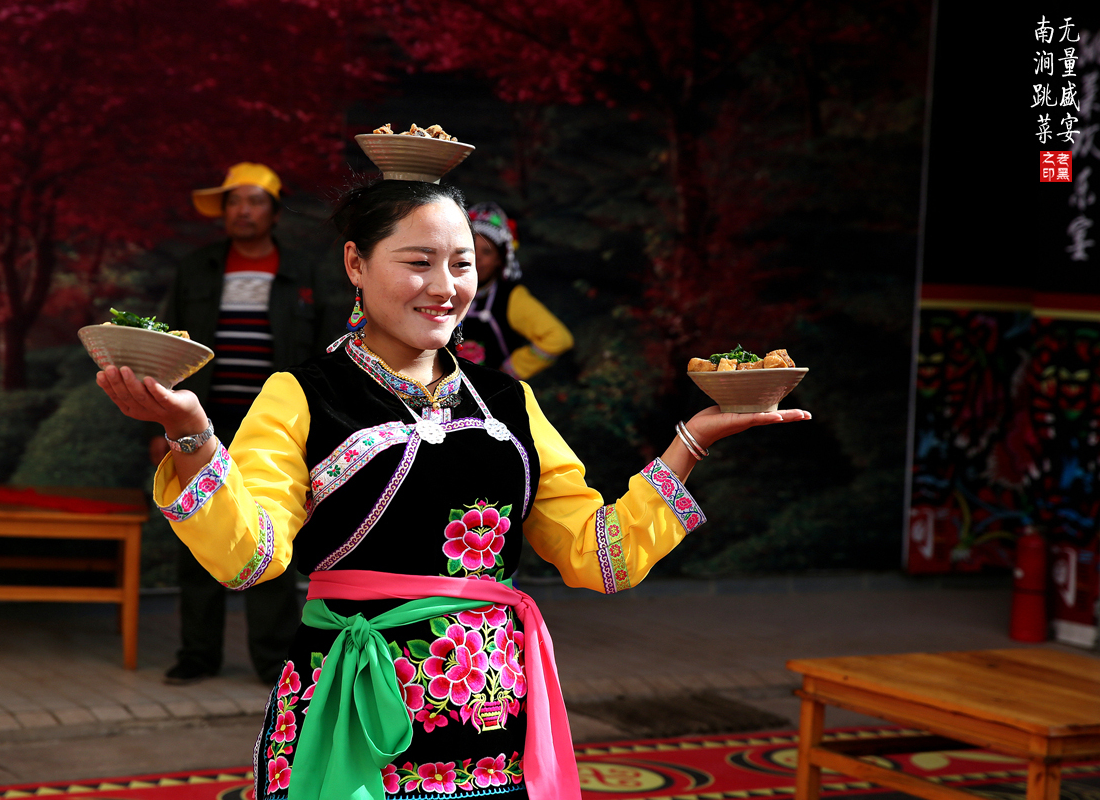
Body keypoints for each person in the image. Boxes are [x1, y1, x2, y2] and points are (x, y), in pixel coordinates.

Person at [98, 178, 809, 800]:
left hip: (494, 720)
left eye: (463, 264)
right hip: (355, 706)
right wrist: (193, 436)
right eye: (418, 262)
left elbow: (601, 558)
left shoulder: (508, 401)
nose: (445, 287)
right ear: (355, 262)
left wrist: (691, 444)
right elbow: (250, 557)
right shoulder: (302, 394)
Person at [153, 162, 342, 686]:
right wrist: (162, 427)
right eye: (234, 201)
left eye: (254, 200)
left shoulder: (302, 272)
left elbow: (326, 352)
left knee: (269, 532)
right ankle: (198, 655)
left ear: (274, 212)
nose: (243, 210)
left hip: (275, 427)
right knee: (196, 532)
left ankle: (271, 659)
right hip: (202, 421)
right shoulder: (197, 268)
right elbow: (165, 351)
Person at [459, 202, 574, 379]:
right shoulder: (444, 289)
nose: (476, 258)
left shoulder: (510, 297)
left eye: (487, 252)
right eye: (471, 248)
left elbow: (558, 338)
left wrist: (511, 370)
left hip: (490, 399)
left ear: (500, 260)